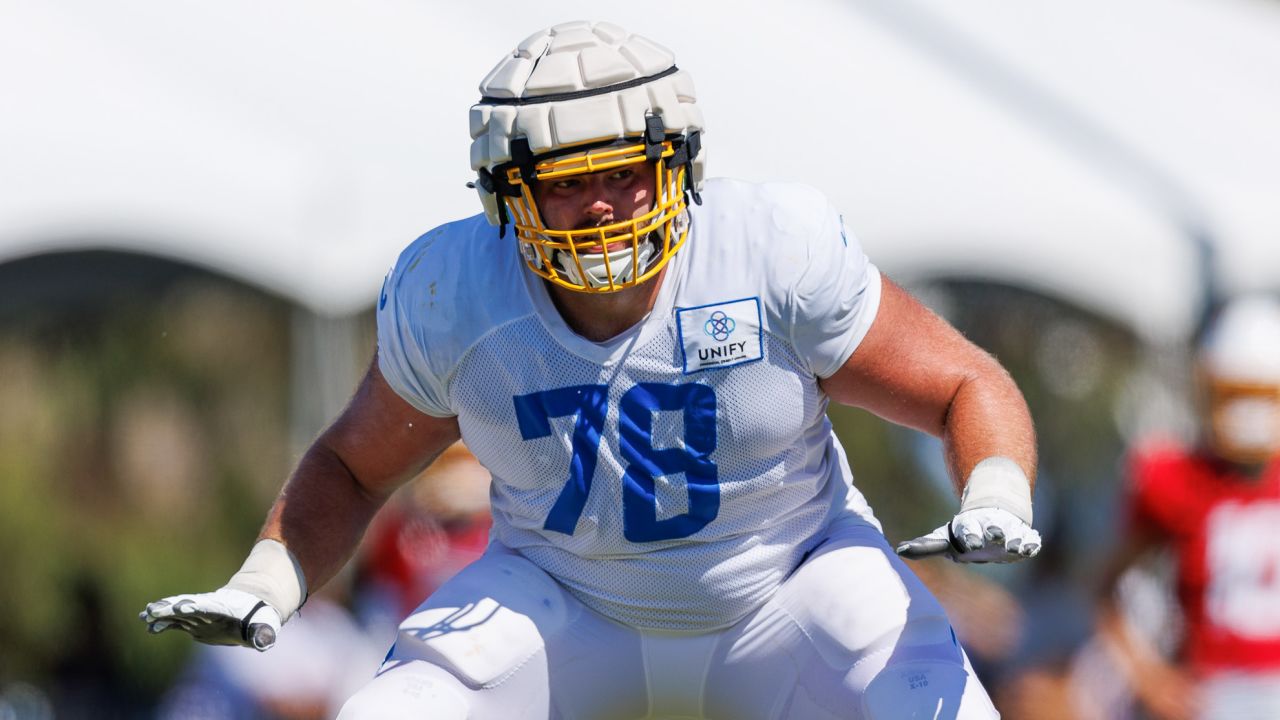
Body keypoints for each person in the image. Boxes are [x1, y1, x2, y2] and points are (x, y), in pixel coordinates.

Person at [141, 20, 1042, 718]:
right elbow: (351, 464)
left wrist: (996, 488)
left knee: (942, 701)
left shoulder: (768, 248)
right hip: (565, 601)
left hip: (792, 582)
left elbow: (966, 384)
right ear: (508, 193)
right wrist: (268, 579)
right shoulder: (455, 291)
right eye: (567, 182)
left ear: (677, 165)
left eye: (624, 173)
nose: (602, 206)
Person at [1096, 294, 1280, 720]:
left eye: (1259, 396)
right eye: (1233, 395)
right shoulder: (1178, 477)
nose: (1247, 414)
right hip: (1210, 693)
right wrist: (1148, 676)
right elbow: (1105, 587)